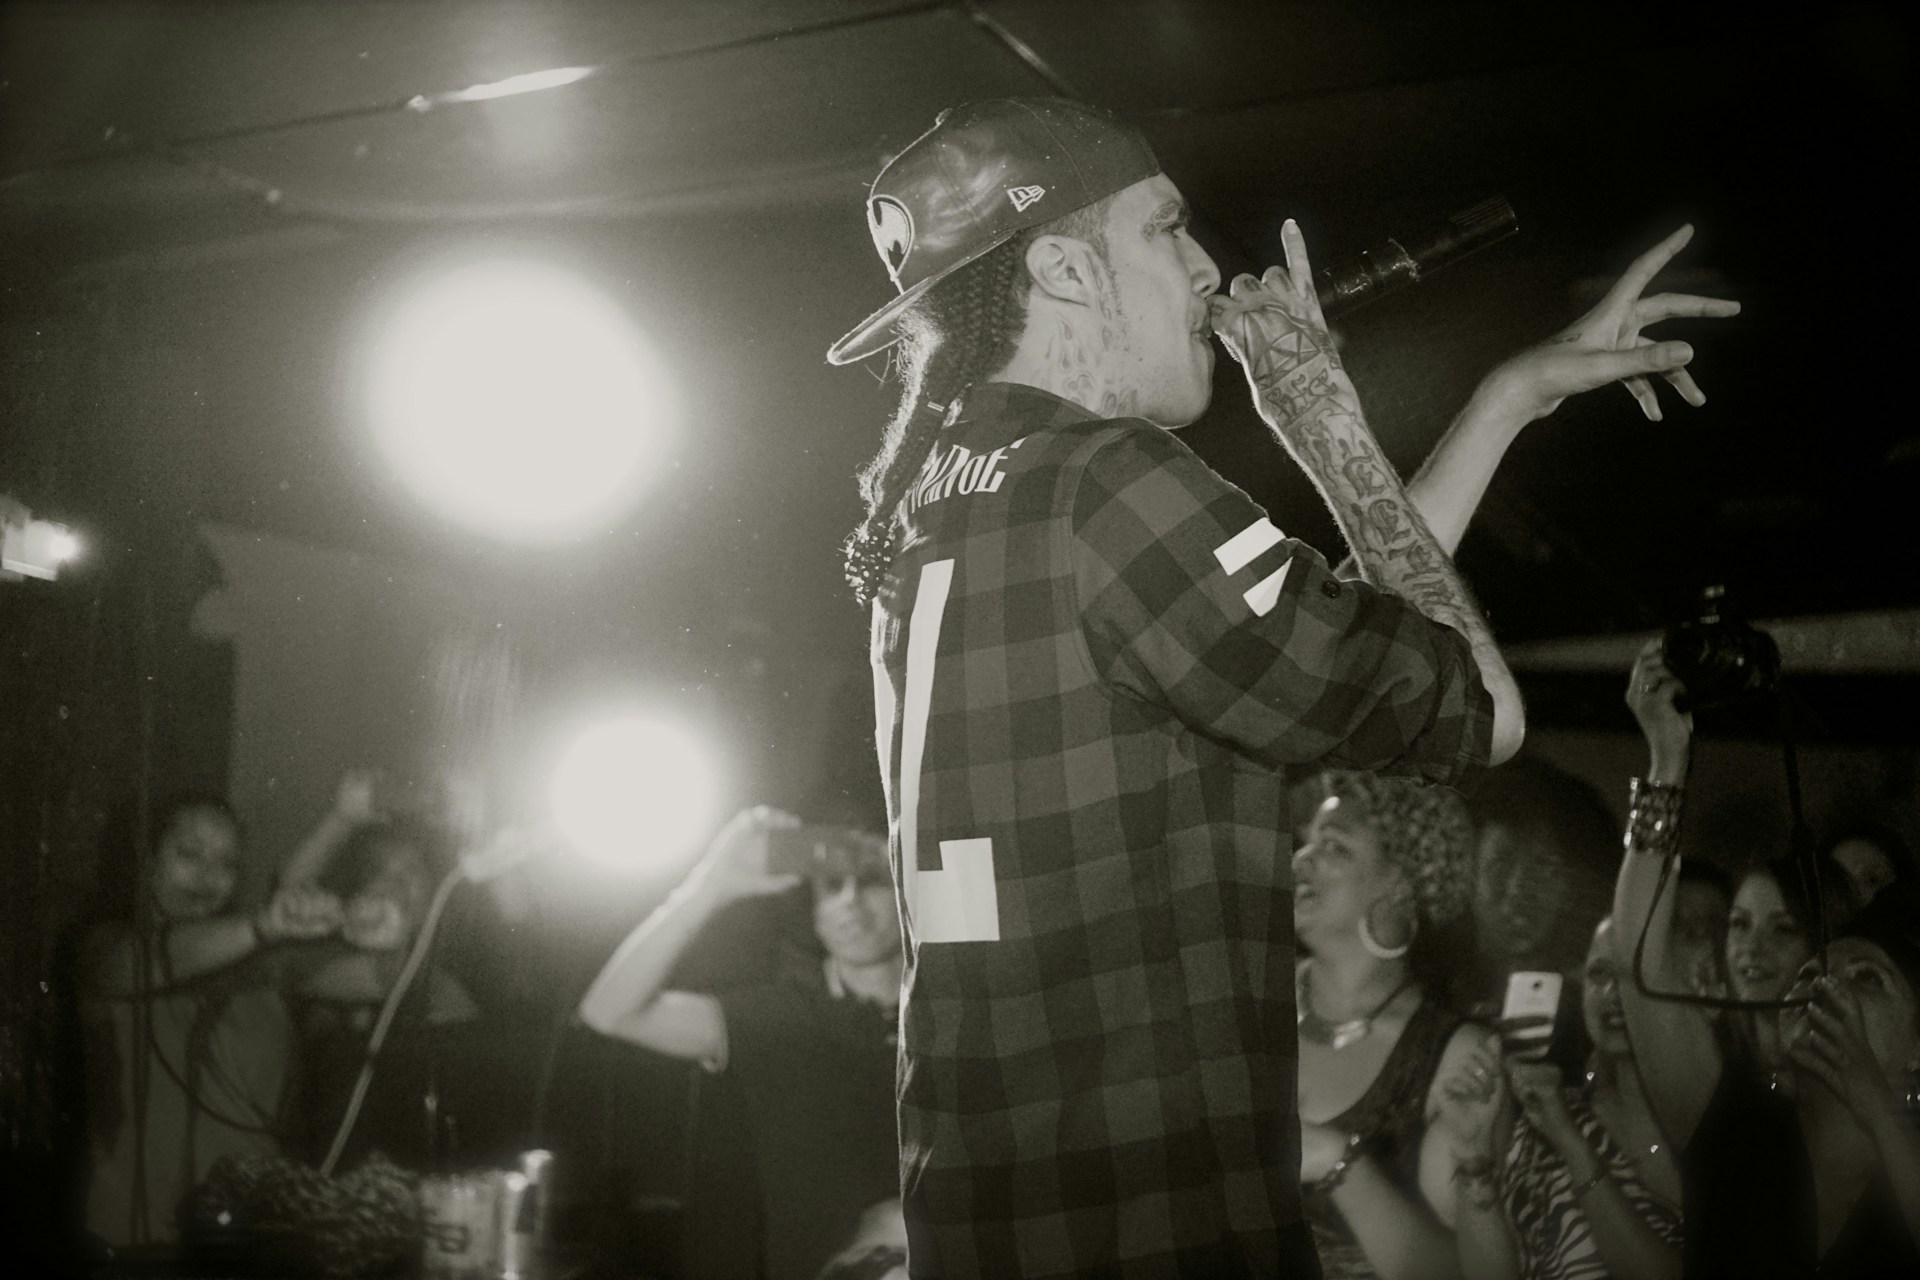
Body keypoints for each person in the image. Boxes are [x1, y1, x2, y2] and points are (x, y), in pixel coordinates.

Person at [829, 96, 1736, 1277]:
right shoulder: (1111, 481)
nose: (1207, 269)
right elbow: (1472, 697)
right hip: (1152, 1223)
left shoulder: (941, 506)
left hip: (998, 1210)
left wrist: (1508, 399)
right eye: (1165, 230)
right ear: (1059, 266)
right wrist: (1318, 408)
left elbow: (1331, 648)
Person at [1614, 642, 1920, 1276]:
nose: (1827, 984)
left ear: (1917, 1048)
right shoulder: (1733, 1129)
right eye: (1814, 973)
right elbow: (1635, 964)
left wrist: (1878, 1111)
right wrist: (1668, 759)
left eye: (1866, 978)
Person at [578, 808, 902, 1280]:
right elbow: (608, 1011)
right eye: (831, 886)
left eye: (871, 881)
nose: (850, 901)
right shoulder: (776, 1017)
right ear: (813, 913)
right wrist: (709, 886)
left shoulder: (958, 1009)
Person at [75, 793, 341, 1245]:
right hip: (132, 1247)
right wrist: (263, 927)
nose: (207, 877)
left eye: (227, 863)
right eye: (188, 853)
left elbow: (370, 978)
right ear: (148, 858)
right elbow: (155, 959)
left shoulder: (258, 967)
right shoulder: (105, 948)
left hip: (248, 1244)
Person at [1292, 770, 1483, 1278]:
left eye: (1333, 847)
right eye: (1306, 843)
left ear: (1400, 884)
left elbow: (1464, 1270)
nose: (1300, 860)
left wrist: (1338, 1163)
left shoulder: (1453, 1056)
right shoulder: (1241, 999)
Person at [1436, 918, 1683, 1280]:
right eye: (1599, 974)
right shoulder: (1553, 1109)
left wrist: (1571, 1143)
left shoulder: (1720, 1125)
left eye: (1635, 973)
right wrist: (1472, 1153)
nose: (1612, 991)